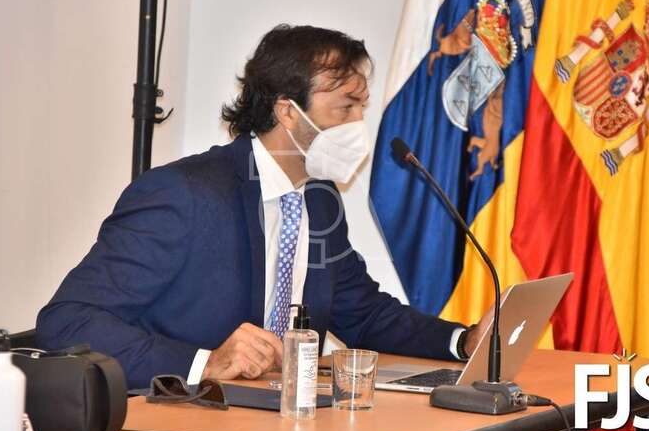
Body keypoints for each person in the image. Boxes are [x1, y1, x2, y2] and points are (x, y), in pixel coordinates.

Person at [36, 24, 491, 389]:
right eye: (346, 108)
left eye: (361, 108)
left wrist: (462, 340)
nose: (358, 124)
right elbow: (67, 321)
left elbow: (362, 312)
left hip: (278, 419)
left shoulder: (319, 197)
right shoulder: (183, 194)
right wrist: (204, 363)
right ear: (287, 111)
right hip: (179, 419)